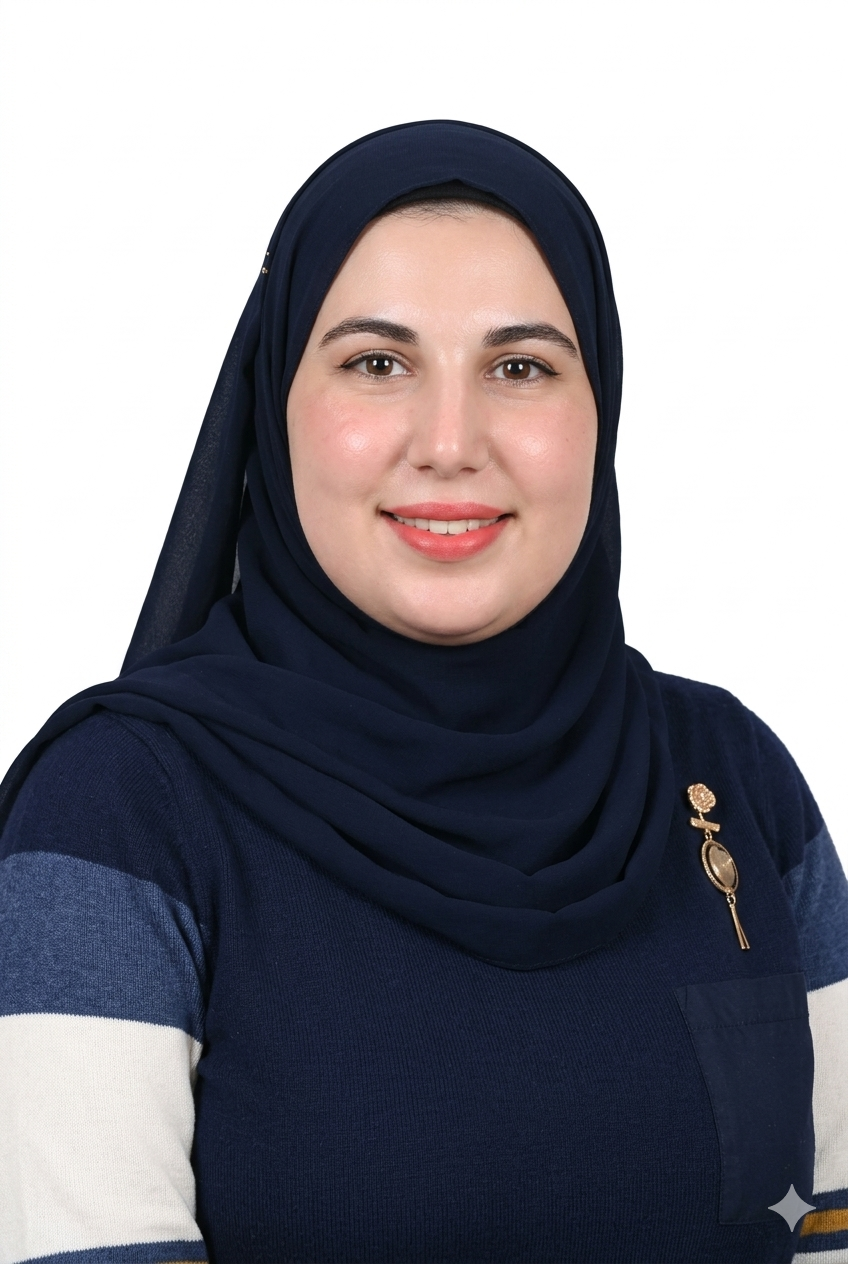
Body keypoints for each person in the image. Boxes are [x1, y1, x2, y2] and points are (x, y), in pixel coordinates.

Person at [0, 121, 845, 1264]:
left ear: (599, 409)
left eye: (519, 367)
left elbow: (827, 1222)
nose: (449, 443)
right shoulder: (119, 815)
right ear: (273, 403)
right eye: (376, 363)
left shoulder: (729, 783)